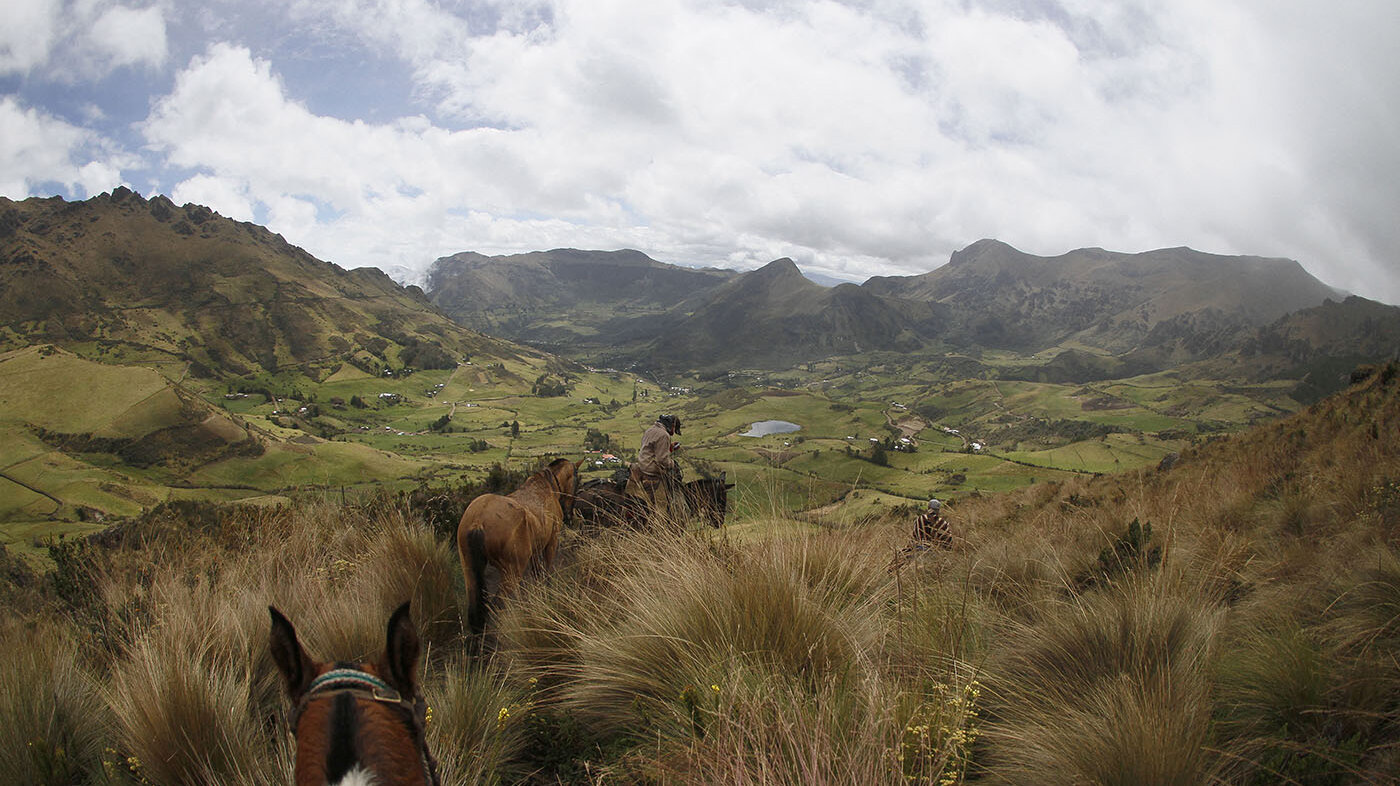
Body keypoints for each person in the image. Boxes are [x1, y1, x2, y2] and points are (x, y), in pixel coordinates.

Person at [627, 414, 683, 522]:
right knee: (664, 501)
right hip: (651, 470)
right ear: (672, 426)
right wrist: (672, 464)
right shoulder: (664, 435)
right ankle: (662, 521)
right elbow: (662, 459)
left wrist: (669, 448)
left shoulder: (650, 430)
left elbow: (651, 449)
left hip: (642, 465)